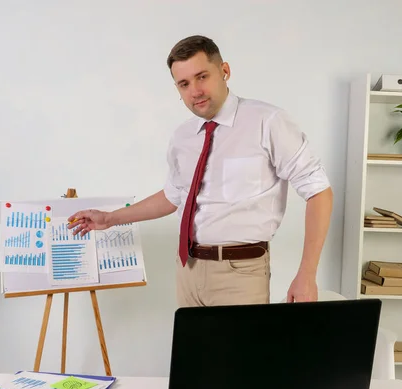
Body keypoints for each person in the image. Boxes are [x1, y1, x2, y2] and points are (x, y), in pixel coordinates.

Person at [68, 35, 333, 307]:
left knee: (239, 352)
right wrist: (111, 218)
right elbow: (174, 197)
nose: (195, 90)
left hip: (239, 274)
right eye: (184, 84)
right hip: (188, 269)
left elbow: (319, 193)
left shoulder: (268, 122)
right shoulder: (183, 137)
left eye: (202, 76)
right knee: (191, 351)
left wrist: (307, 274)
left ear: (225, 71)